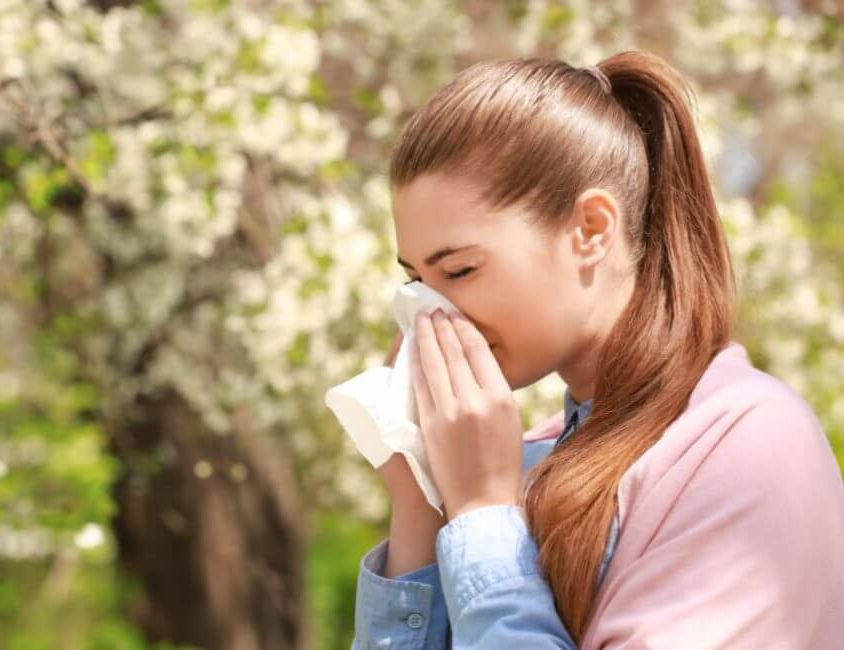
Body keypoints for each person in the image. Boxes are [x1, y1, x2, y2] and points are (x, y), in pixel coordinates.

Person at [350, 50, 844, 649]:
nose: (434, 314)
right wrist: (421, 505)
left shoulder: (744, 444)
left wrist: (482, 515)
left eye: (459, 270)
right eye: (415, 283)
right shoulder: (527, 463)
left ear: (590, 230)